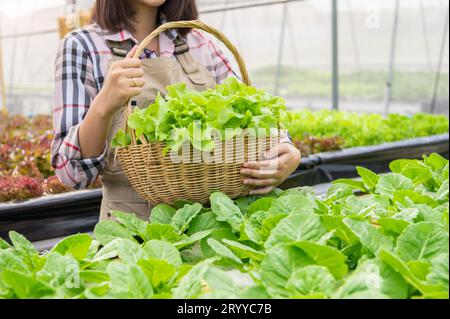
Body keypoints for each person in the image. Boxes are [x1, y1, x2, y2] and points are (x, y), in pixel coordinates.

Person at [51, 0, 301, 220]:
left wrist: (285, 153)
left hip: (213, 228)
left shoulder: (199, 42)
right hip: (133, 239)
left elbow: (251, 113)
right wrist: (103, 106)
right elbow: (71, 174)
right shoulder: (81, 46)